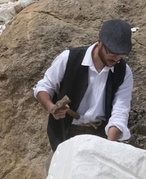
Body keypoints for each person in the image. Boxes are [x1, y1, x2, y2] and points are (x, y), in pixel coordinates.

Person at [32, 20, 135, 150]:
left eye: (121, 54)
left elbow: (120, 112)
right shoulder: (69, 58)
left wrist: (108, 147)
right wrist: (51, 107)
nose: (116, 59)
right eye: (112, 53)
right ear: (99, 42)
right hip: (66, 133)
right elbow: (44, 87)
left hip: (101, 136)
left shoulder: (124, 72)